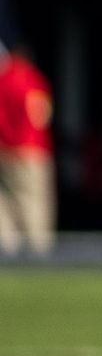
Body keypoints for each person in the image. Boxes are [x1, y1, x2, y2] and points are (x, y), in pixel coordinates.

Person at [0, 39, 56, 256]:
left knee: (4, 204)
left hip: (4, 152)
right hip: (31, 152)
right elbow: (41, 115)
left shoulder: (3, 80)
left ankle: (7, 255)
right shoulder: (32, 79)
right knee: (33, 203)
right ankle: (38, 258)